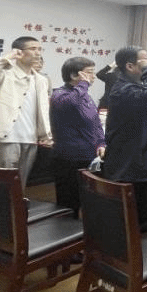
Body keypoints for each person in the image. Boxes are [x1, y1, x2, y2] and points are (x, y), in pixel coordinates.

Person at [0, 36, 52, 188]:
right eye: (33, 49)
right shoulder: (6, 73)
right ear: (19, 52)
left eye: (39, 49)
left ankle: (17, 203)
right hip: (6, 137)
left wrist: (45, 134)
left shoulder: (41, 80)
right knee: (2, 181)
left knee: (20, 182)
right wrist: (9, 57)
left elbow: (43, 110)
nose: (37, 53)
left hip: (30, 138)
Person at [102, 46, 147, 222]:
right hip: (128, 167)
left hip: (136, 163)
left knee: (136, 217)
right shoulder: (123, 90)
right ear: (130, 66)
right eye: (146, 61)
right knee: (129, 220)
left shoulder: (132, 87)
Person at [50, 56, 106, 216]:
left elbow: (95, 123)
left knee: (88, 200)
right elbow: (71, 103)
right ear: (74, 75)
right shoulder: (59, 94)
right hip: (69, 157)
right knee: (69, 203)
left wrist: (101, 143)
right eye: (89, 72)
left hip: (89, 156)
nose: (93, 76)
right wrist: (83, 84)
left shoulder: (85, 95)